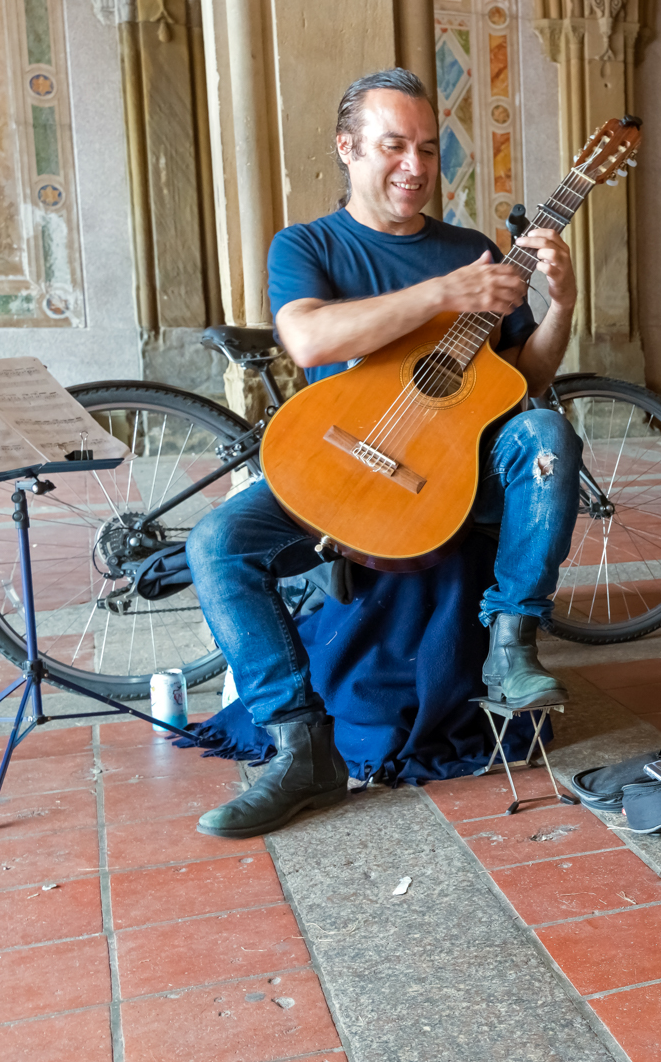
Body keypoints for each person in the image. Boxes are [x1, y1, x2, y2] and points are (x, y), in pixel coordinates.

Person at [185, 68, 580, 839]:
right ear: (348, 148)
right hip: (335, 463)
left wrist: (561, 303)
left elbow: (522, 378)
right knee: (216, 543)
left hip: (448, 471)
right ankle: (302, 748)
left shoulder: (470, 247)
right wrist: (442, 294)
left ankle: (511, 644)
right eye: (393, 145)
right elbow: (308, 337)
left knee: (546, 435)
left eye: (429, 149)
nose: (414, 165)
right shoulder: (307, 245)